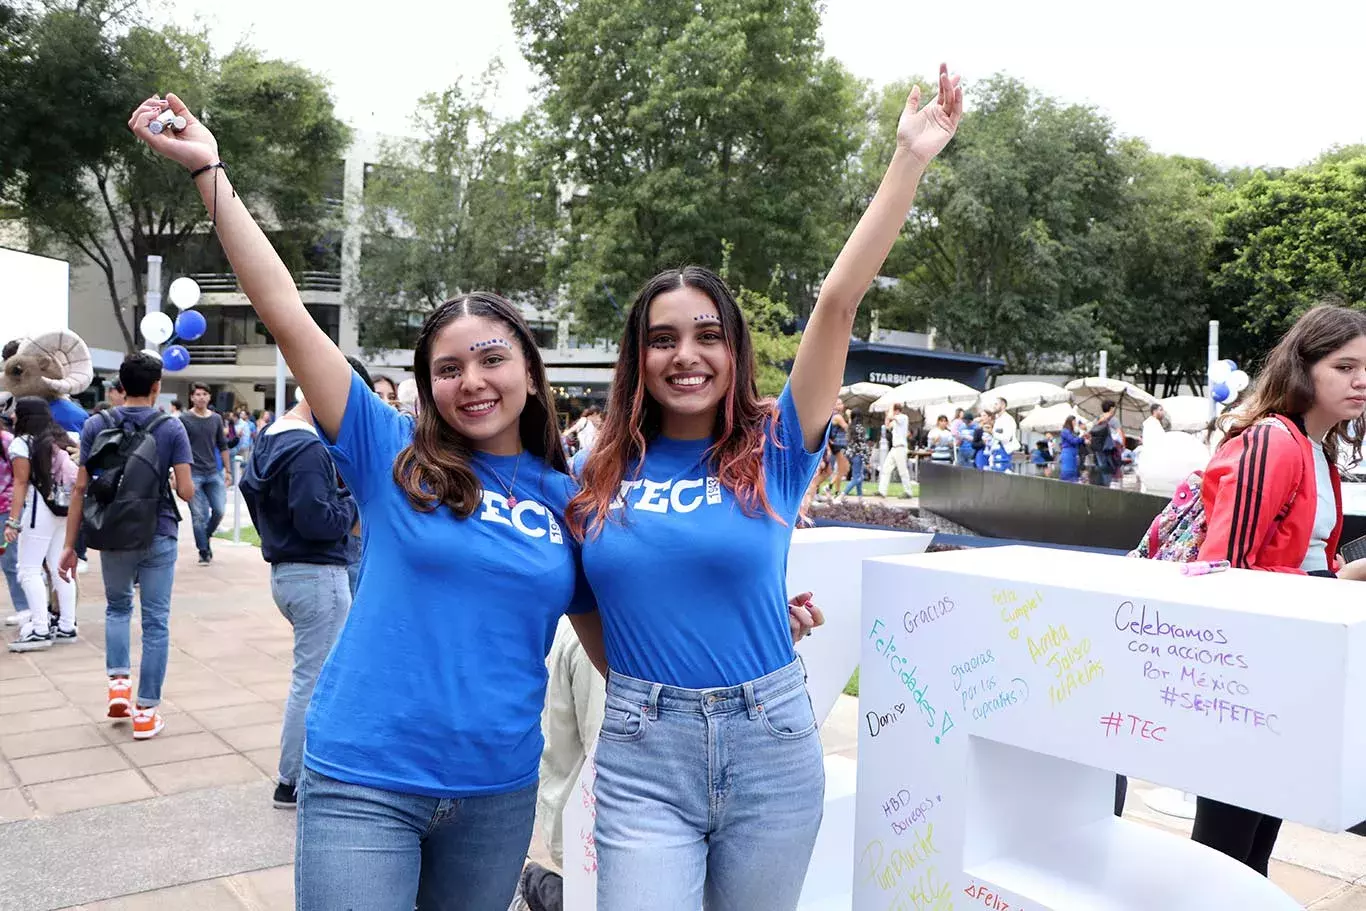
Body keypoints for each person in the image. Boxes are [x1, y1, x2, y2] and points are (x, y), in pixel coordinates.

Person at [130, 92, 595, 909]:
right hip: (365, 776)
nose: (471, 381)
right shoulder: (392, 453)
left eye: (491, 358)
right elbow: (282, 307)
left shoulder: (572, 499)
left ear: (529, 367)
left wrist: (762, 614)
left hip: (497, 790)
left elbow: (618, 639)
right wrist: (210, 170)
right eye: (447, 369)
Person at [566, 65, 961, 911]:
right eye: (663, 338)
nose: (686, 354)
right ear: (637, 358)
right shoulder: (593, 472)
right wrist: (649, 681)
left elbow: (838, 302)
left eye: (708, 334)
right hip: (643, 754)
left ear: (734, 350)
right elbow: (582, 600)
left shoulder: (775, 444)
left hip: (771, 742)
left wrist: (908, 161)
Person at [1190, 303, 1366, 875]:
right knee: (1226, 844)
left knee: (1256, 838)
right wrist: (1328, 583)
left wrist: (1341, 578)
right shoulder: (1275, 440)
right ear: (1303, 367)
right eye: (1345, 366)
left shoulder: (1322, 453)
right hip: (1247, 675)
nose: (1361, 380)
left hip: (1284, 668)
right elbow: (1222, 569)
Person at [59, 351, 195, 740]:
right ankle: (146, 711)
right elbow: (186, 491)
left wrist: (71, 545)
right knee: (155, 622)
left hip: (113, 532)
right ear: (157, 387)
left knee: (117, 607)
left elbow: (80, 489)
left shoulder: (95, 423)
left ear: (120, 385)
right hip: (158, 531)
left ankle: (118, 682)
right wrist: (167, 477)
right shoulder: (171, 427)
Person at [240, 390, 358, 810]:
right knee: (313, 681)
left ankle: (297, 774)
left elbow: (250, 491)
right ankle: (292, 780)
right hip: (315, 574)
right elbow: (318, 520)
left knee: (310, 676)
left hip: (288, 572)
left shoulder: (270, 436)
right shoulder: (306, 445)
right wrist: (352, 501)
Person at [4, 397, 78, 651]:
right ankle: (67, 625)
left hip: (39, 510)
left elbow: (21, 483)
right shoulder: (62, 438)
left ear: (25, 416)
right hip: (65, 509)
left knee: (28, 570)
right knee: (60, 567)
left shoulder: (22, 443)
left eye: (16, 412)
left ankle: (39, 629)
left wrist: (13, 521)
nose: (12, 416)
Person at [181, 382, 231, 564]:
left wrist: (228, 470)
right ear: (192, 397)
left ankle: (205, 536)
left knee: (219, 510)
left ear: (209, 397)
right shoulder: (184, 419)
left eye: (204, 394)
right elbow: (179, 447)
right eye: (198, 394)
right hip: (193, 473)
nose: (201, 397)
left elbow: (222, 445)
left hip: (213, 472)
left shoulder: (216, 419)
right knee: (198, 516)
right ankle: (203, 550)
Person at [0, 422, 30, 627]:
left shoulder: (7, 442)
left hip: (7, 508)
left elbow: (22, 479)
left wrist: (15, 516)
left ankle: (25, 608)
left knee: (11, 561)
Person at [878, 403, 912, 497]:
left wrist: (890, 407)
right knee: (886, 468)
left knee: (902, 471)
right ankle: (882, 491)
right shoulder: (896, 420)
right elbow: (887, 425)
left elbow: (891, 416)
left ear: (896, 410)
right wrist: (886, 415)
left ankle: (908, 492)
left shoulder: (903, 417)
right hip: (894, 448)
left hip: (901, 448)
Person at [1059, 416, 1084, 483]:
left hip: (1073, 454)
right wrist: (1082, 437)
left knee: (1073, 472)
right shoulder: (1065, 431)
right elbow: (1073, 441)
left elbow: (1075, 440)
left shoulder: (1071, 432)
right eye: (1074, 421)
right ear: (1069, 422)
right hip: (1068, 454)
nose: (1075, 423)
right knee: (1068, 473)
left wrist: (1082, 439)